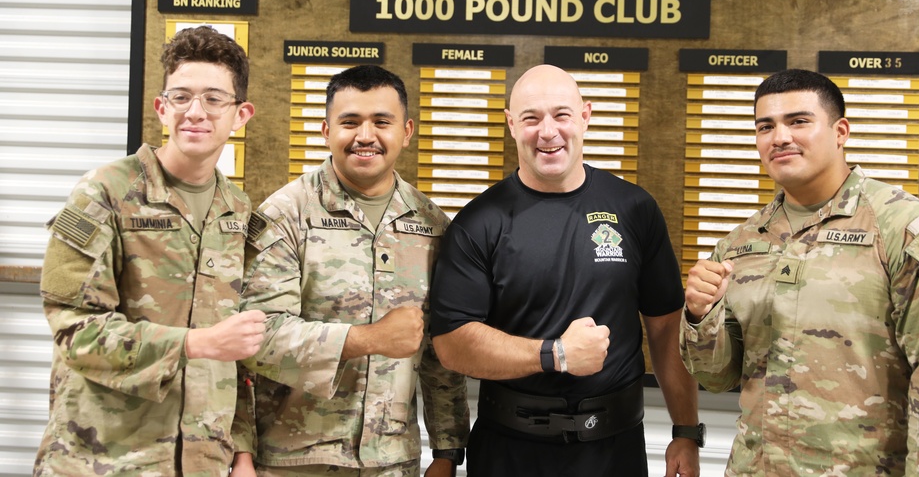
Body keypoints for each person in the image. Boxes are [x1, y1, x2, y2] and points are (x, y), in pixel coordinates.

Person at [681, 68, 919, 476]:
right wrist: (701, 317)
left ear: (840, 131)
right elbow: (716, 377)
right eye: (765, 126)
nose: (780, 137)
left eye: (799, 121)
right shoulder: (741, 243)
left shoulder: (905, 232)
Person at [430, 64, 702, 477]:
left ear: (585, 115)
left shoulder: (634, 208)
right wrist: (554, 354)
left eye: (561, 114)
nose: (548, 131)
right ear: (510, 124)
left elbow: (665, 327)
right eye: (531, 118)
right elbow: (452, 344)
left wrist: (685, 429)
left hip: (614, 451)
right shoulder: (479, 222)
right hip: (509, 452)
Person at [34, 26, 265, 476]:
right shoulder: (103, 192)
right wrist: (195, 343)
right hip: (104, 459)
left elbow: (239, 348)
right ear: (162, 108)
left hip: (202, 462)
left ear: (241, 115)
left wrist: (241, 451)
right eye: (181, 97)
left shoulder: (238, 211)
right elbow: (73, 330)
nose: (195, 112)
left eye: (214, 99)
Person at [239, 64, 469, 477]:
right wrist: (367, 338)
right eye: (350, 122)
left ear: (407, 131)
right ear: (326, 131)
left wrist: (447, 450)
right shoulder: (285, 215)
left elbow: (440, 350)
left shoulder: (433, 226)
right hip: (295, 459)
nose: (366, 136)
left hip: (393, 462)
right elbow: (257, 337)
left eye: (382, 122)